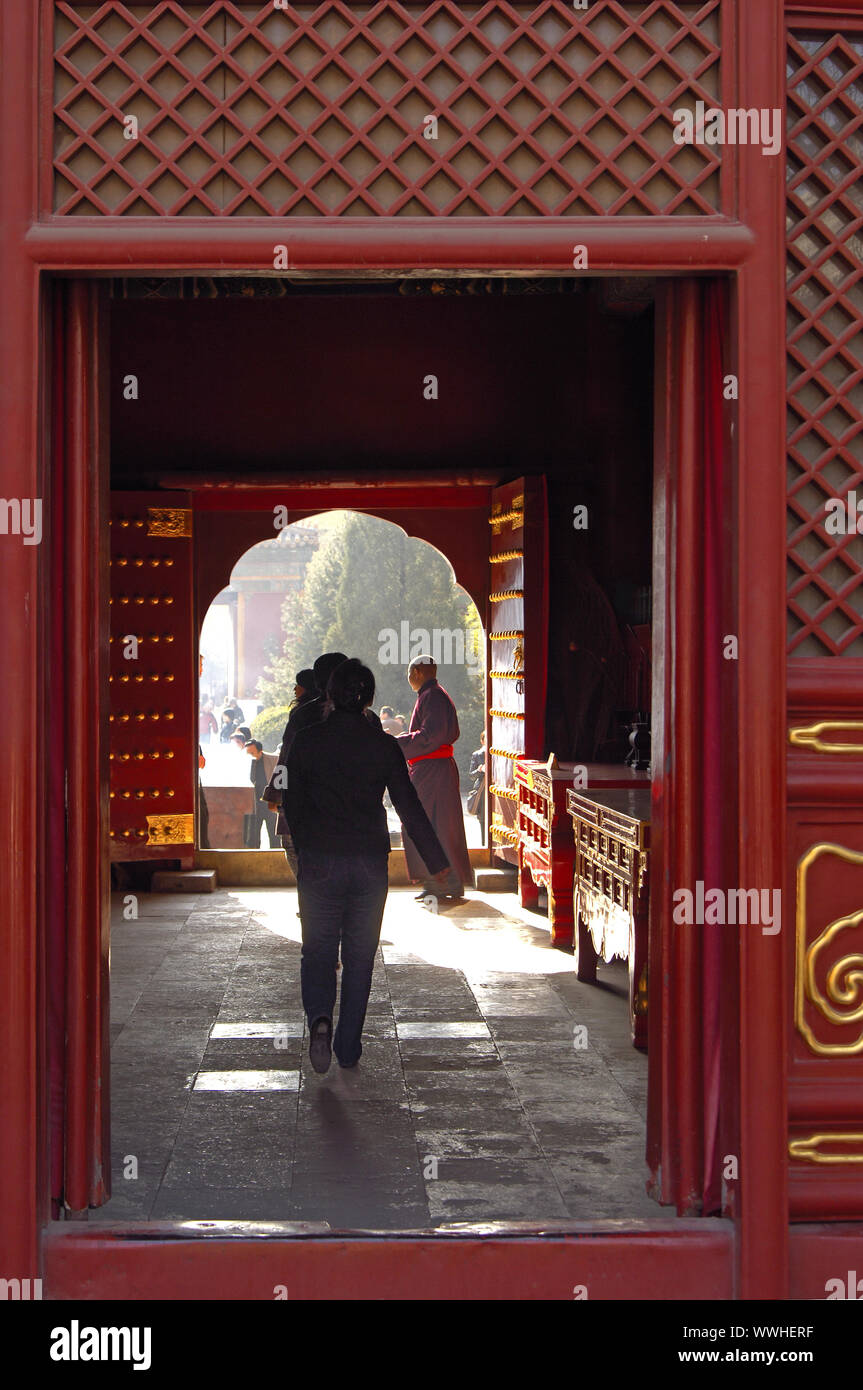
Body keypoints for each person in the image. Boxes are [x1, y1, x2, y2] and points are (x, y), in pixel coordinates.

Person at [286, 659, 450, 1074]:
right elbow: (407, 806)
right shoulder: (383, 746)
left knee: (318, 949)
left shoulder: (307, 740)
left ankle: (320, 1018)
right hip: (368, 864)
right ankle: (347, 1047)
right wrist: (436, 860)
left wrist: (306, 848)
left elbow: (290, 800)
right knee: (360, 957)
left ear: (330, 693)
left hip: (320, 859)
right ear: (369, 699)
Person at [395, 655, 474, 901]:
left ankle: (443, 882)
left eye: (409, 674)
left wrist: (396, 744)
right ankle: (439, 881)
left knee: (424, 823)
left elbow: (431, 736)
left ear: (417, 672)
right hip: (432, 770)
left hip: (432, 770)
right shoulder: (433, 695)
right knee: (437, 825)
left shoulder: (433, 696)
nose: (408, 679)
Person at [262, 653, 348, 874]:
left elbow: (286, 758)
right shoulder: (366, 717)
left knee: (295, 848)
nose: (294, 690)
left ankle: (310, 900)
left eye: (298, 685)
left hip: (305, 802)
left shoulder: (303, 715)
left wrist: (277, 793)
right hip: (350, 809)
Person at [244, 738, 278, 848]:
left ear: (260, 751)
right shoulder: (248, 763)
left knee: (273, 833)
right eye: (248, 753)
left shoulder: (273, 759)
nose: (250, 755)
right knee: (253, 834)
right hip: (254, 802)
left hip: (269, 800)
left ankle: (275, 854)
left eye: (252, 753)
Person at [468, 729, 487, 839]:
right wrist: (480, 770)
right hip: (481, 789)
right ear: (482, 741)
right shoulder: (477, 755)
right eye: (486, 738)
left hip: (493, 787)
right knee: (483, 819)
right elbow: (471, 775)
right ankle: (484, 844)